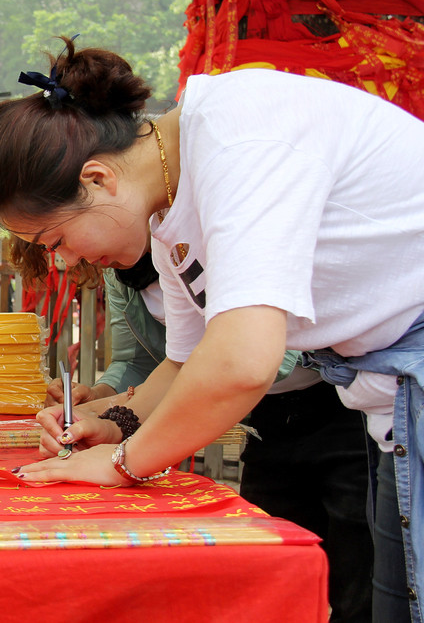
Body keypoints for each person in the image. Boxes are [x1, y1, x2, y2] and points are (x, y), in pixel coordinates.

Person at [0, 38, 424, 623]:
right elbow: (186, 361)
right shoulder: (170, 205)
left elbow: (241, 362)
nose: (60, 263)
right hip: (391, 403)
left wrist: (123, 464)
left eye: (54, 240)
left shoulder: (241, 139)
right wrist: (110, 425)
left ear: (99, 179)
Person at [46, 248, 372, 622]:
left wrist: (124, 451)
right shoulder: (128, 265)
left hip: (345, 410)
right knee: (270, 575)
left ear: (101, 186)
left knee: (360, 588)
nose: (70, 259)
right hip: (270, 420)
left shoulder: (201, 238)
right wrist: (103, 405)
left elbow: (253, 363)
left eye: (59, 235)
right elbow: (154, 364)